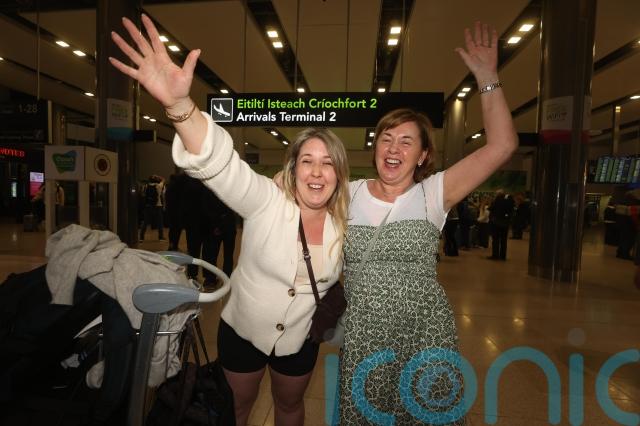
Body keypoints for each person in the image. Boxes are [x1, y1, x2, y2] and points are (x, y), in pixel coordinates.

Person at [110, 15, 350, 426]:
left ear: (339, 174)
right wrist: (180, 107)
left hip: (300, 340)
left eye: (327, 163)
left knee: (290, 407)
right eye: (307, 161)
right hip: (242, 332)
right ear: (292, 169)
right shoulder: (267, 202)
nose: (316, 171)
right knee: (235, 409)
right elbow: (224, 167)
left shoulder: (346, 221)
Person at [338, 22, 518, 424]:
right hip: (365, 335)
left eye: (406, 141)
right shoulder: (348, 192)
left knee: (427, 413)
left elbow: (503, 145)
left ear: (422, 155)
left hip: (425, 330)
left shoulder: (434, 192)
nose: (394, 147)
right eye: (386, 138)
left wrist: (487, 78)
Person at [488, 189, 514, 260]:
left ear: (498, 194)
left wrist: (491, 203)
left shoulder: (497, 200)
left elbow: (491, 208)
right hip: (505, 223)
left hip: (496, 222)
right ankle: (503, 256)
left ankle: (495, 255)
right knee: (504, 240)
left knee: (496, 239)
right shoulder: (509, 200)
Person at [139, 174, 165, 241]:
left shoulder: (146, 186)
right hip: (158, 205)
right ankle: (160, 237)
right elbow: (163, 179)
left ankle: (141, 237)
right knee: (160, 222)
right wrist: (157, 176)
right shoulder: (159, 186)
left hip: (148, 205)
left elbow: (143, 194)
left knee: (145, 222)